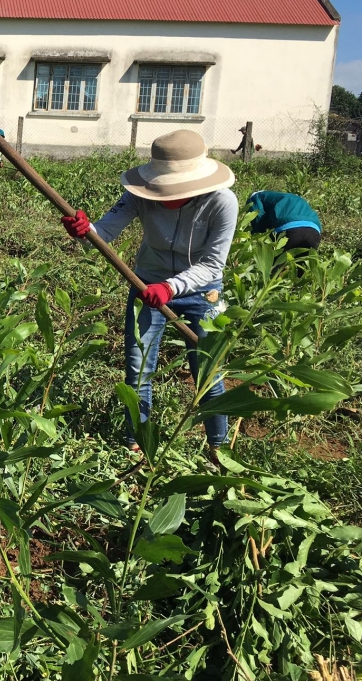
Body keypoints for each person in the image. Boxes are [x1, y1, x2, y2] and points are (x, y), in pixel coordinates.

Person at [61, 130, 239, 463]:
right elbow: (105, 231)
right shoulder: (140, 194)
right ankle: (136, 444)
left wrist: (171, 287)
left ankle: (220, 448)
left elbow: (213, 263)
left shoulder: (221, 202)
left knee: (208, 371)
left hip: (205, 292)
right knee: (138, 368)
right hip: (147, 285)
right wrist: (85, 233)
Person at [246, 190, 322, 253]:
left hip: (290, 230)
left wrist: (258, 241)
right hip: (314, 232)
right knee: (303, 268)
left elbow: (257, 218)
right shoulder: (287, 197)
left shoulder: (255, 197)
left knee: (275, 267)